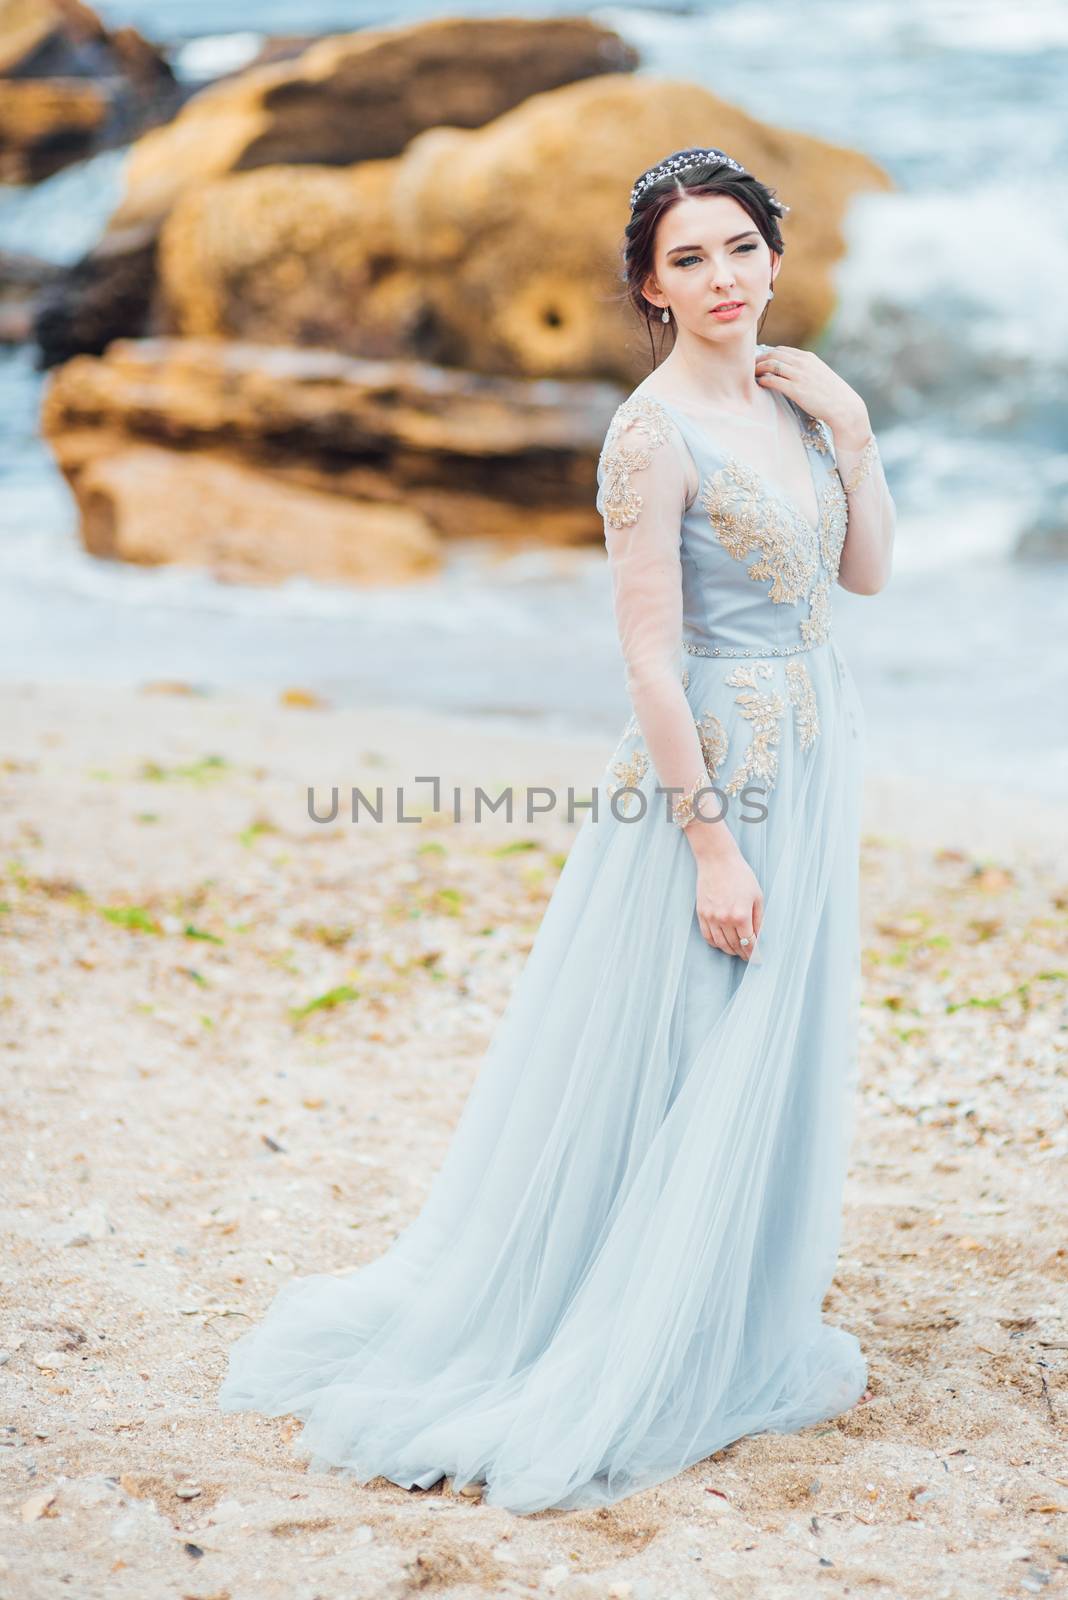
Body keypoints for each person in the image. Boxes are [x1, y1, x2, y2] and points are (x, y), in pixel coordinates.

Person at [217, 146, 896, 1515]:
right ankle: (622, 1326)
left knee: (774, 1039)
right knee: (692, 1034)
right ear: (647, 285)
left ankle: (728, 1307)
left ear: (775, 256)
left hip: (818, 740)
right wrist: (710, 846)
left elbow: (862, 576)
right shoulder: (650, 436)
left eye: (739, 249)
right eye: (687, 258)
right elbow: (649, 660)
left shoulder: (798, 401)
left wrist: (859, 434)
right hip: (718, 763)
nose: (720, 277)